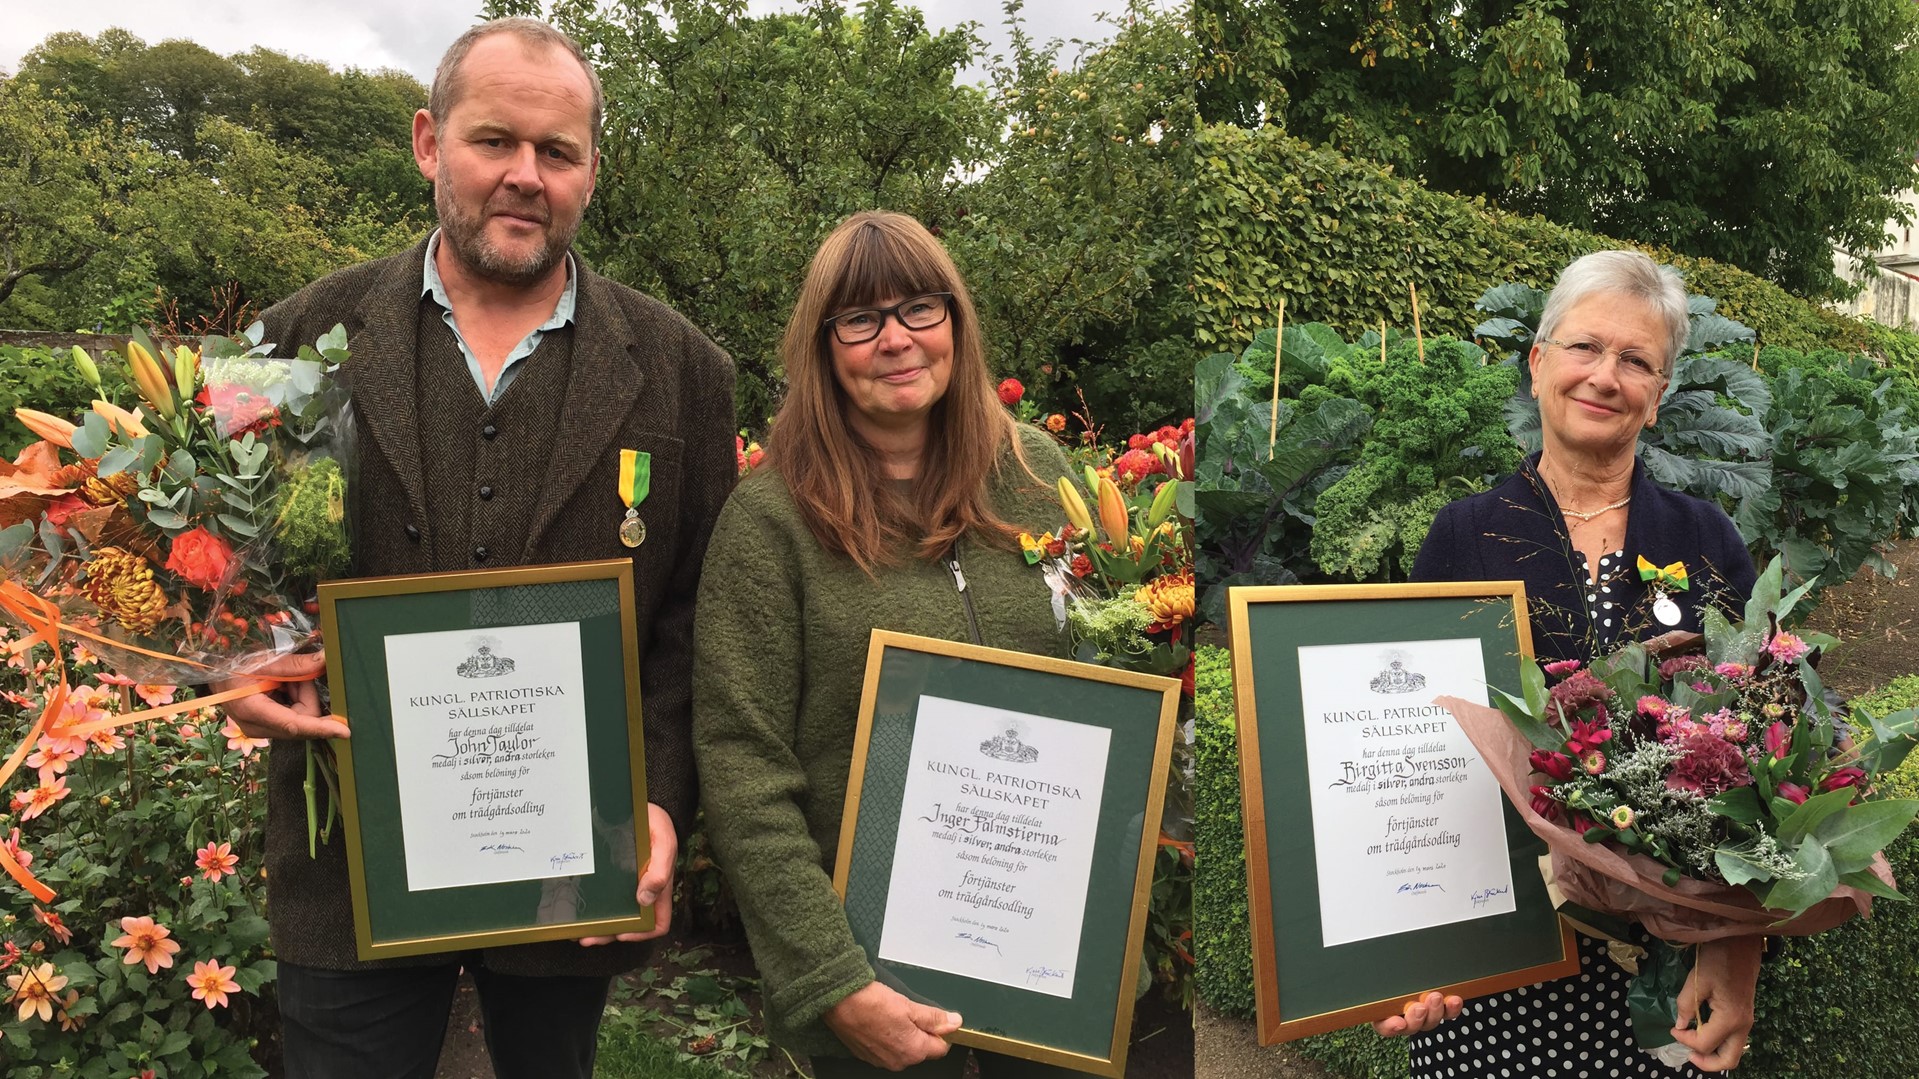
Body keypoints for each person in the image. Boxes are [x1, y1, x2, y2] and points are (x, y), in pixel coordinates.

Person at [217, 18, 736, 1078]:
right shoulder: (287, 341)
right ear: (426, 141)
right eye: (493, 140)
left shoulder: (684, 369)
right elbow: (234, 565)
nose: (523, 176)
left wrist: (662, 799)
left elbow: (693, 614)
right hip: (346, 856)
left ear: (593, 170)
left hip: (574, 856)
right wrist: (235, 661)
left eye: (557, 152)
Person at [692, 211, 1079, 1076]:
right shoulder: (770, 523)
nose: (897, 340)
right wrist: (834, 982)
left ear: (957, 321)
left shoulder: (1041, 475)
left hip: (1050, 945)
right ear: (824, 346)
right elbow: (742, 765)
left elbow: (1104, 688)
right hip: (874, 971)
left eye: (920, 309)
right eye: (861, 319)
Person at [1392, 250, 1760, 1076]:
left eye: (1636, 360)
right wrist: (1407, 942)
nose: (1604, 375)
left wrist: (1734, 956)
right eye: (1584, 347)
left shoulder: (1706, 538)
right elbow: (1411, 755)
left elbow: (1757, 759)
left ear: (1658, 396)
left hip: (1666, 973)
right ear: (1537, 364)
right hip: (1493, 959)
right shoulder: (1464, 535)